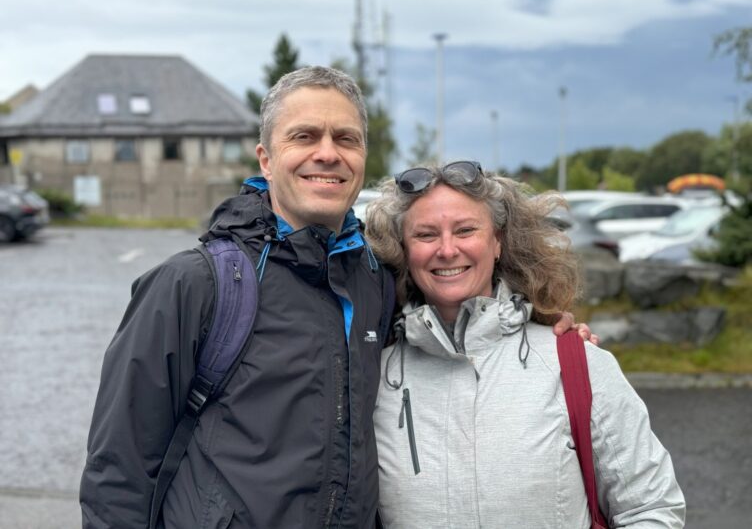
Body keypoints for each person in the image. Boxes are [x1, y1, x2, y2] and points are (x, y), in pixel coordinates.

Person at [80, 67, 585, 528]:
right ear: (266, 157)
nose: (328, 152)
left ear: (363, 157)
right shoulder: (194, 284)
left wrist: (546, 328)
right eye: (304, 136)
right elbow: (117, 475)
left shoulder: (376, 279)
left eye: (346, 138)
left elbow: (459, 308)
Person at [366, 161, 686, 528]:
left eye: (466, 229)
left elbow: (651, 507)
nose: (447, 249)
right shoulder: (374, 376)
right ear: (403, 250)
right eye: (425, 235)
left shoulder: (574, 362)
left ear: (498, 241)